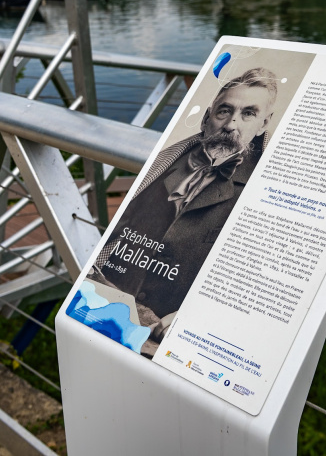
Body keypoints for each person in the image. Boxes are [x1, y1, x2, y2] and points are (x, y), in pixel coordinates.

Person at [90, 67, 279, 345]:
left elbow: (254, 281)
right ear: (206, 118)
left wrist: (199, 316)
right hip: (102, 309)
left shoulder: (263, 193)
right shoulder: (165, 163)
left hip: (167, 340)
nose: (231, 125)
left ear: (263, 124)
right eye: (224, 111)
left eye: (248, 114)